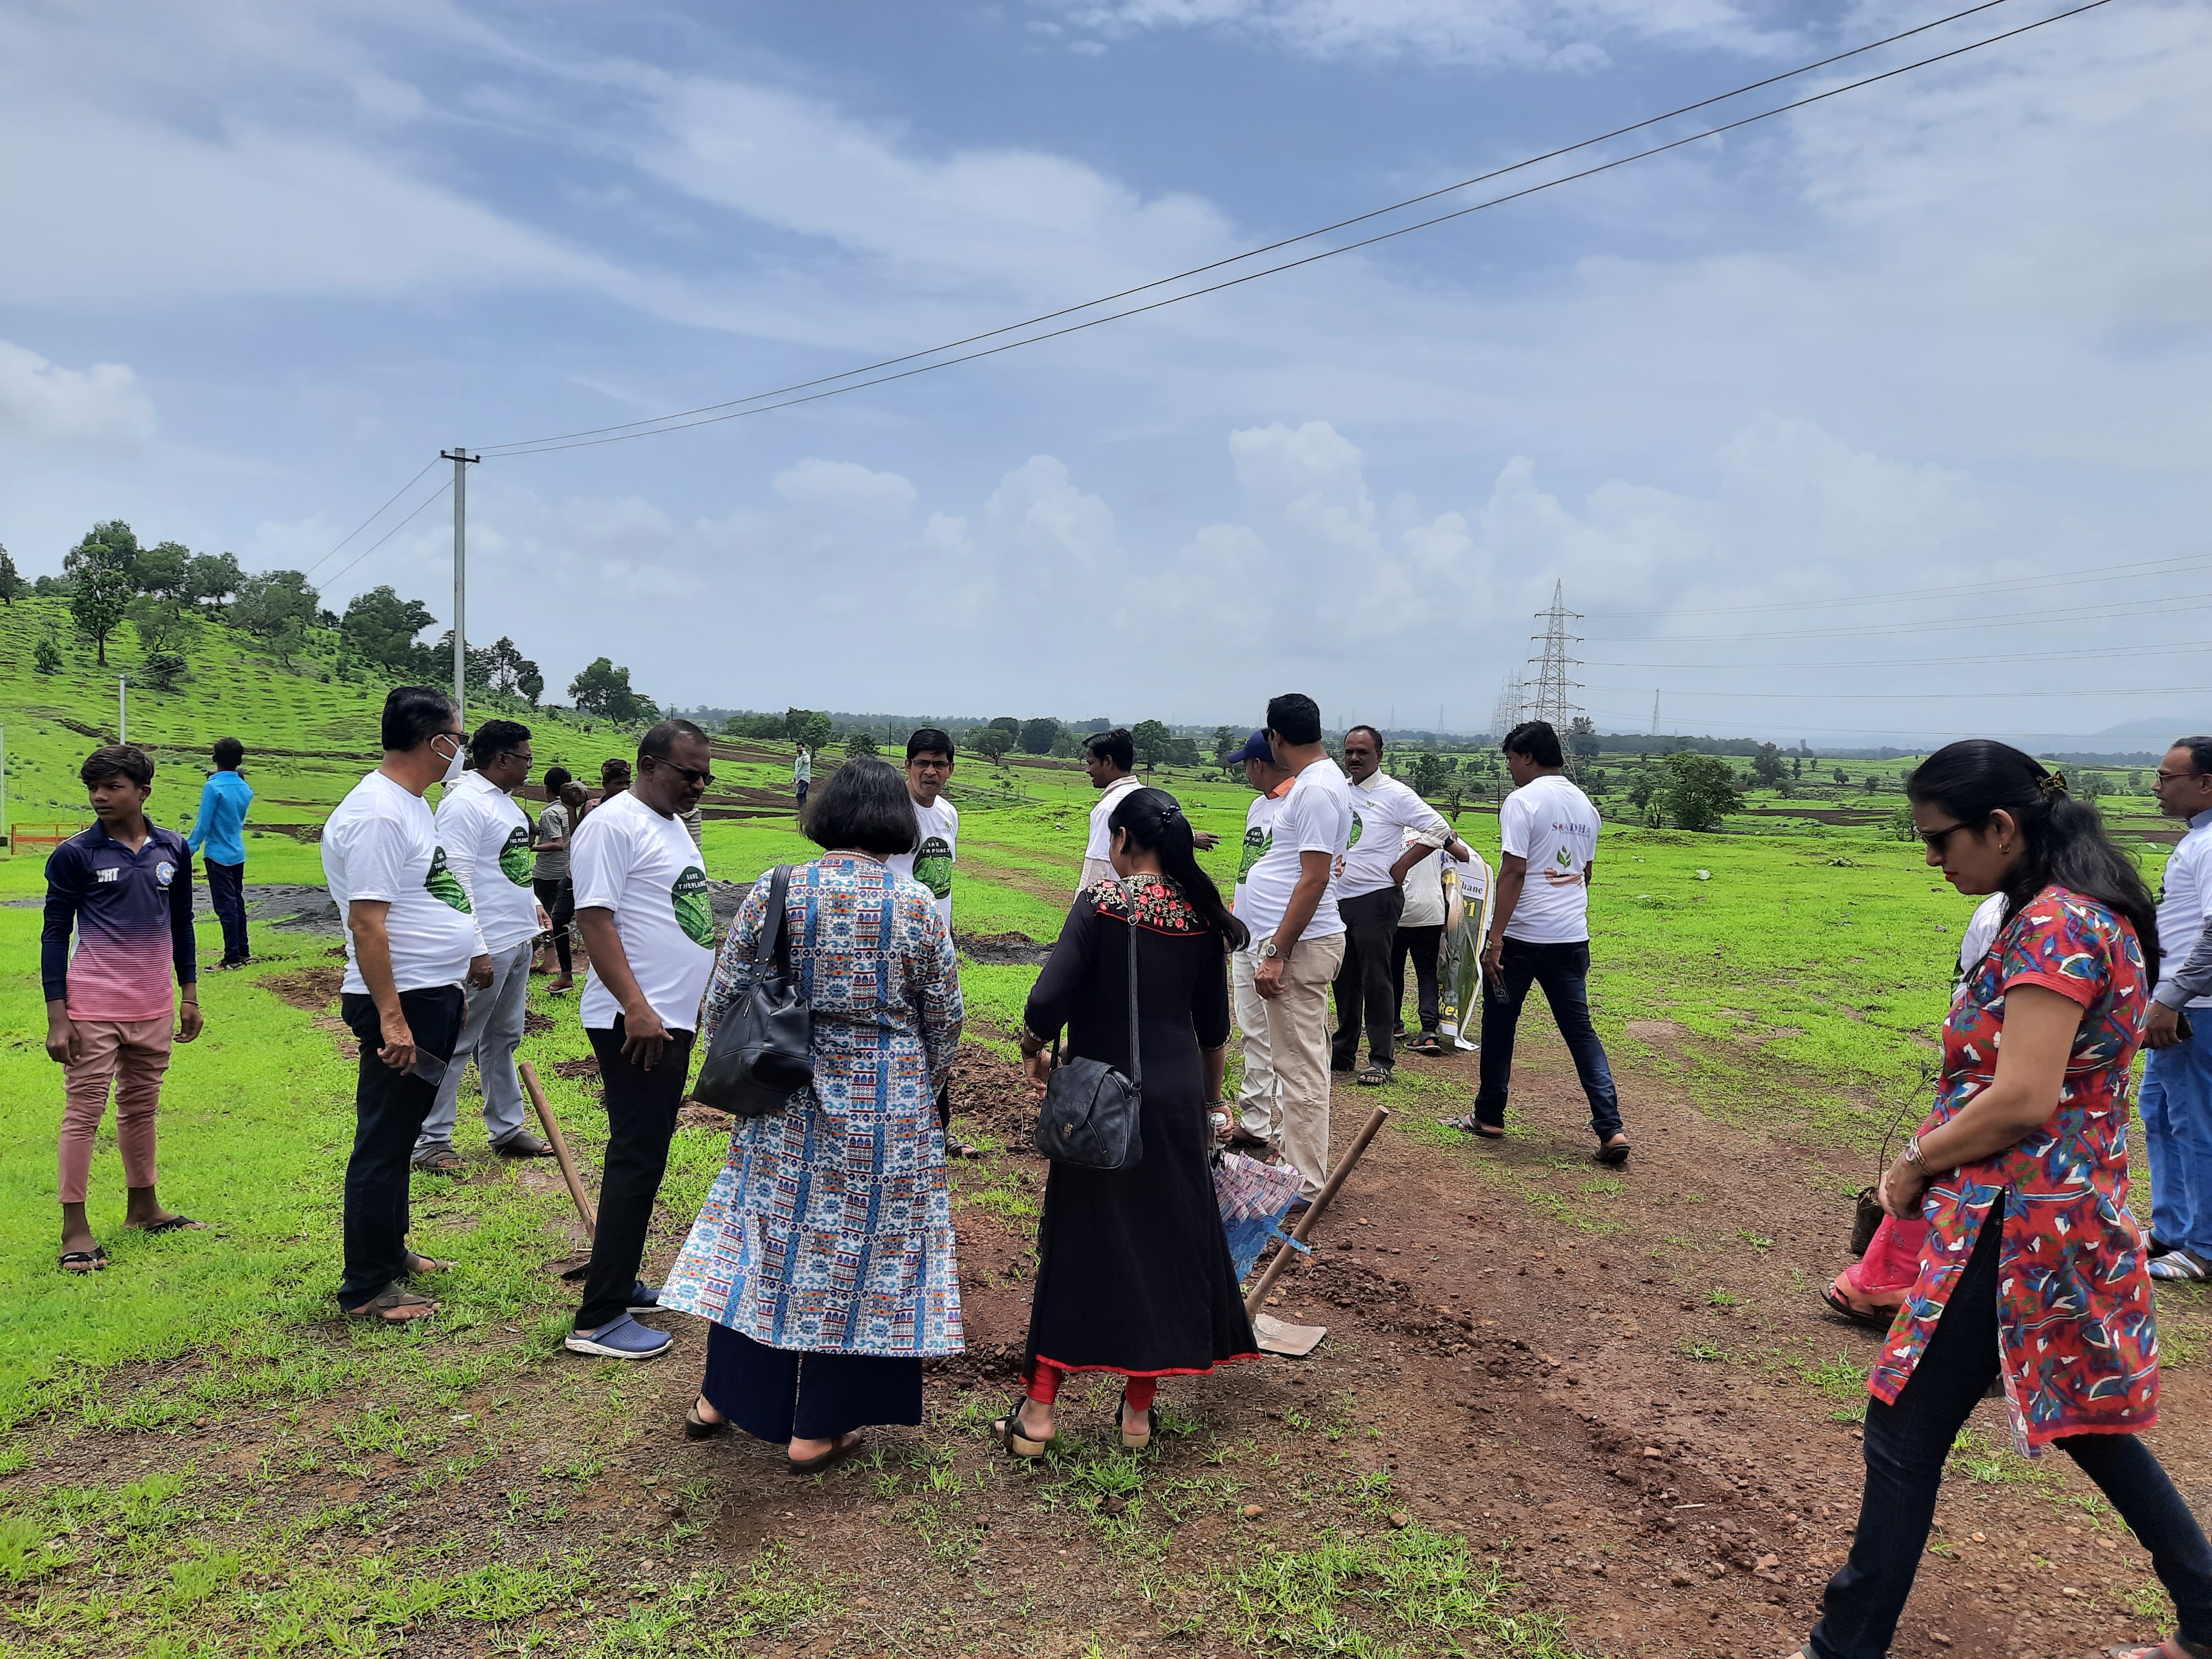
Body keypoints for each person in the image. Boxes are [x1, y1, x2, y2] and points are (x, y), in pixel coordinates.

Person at [1788, 740, 2212, 1659]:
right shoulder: (2083, 910)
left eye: (1942, 842)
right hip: (2065, 1215)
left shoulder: (2057, 925)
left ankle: (1842, 1647)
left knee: (1903, 1427)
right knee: (2085, 1417)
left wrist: (1915, 1163)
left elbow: (2023, 1096)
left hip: (2019, 1225)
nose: (1934, 860)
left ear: (2003, 828)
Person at [662, 756, 963, 1471]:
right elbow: (944, 1019)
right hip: (885, 1107)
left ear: (825, 816)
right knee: (868, 1258)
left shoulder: (779, 889)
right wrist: (922, 1082)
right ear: (895, 822)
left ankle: (722, 1397)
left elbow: (727, 993)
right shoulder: (915, 903)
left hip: (782, 1096)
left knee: (762, 1242)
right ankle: (818, 1427)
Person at [997, 786, 1257, 1456]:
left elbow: (1046, 997)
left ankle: (1040, 1413)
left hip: (1099, 1105)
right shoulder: (1204, 915)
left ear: (1120, 842)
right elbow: (1213, 1032)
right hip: (1173, 1103)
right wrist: (1210, 1106)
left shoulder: (1101, 905)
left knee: (1079, 1247)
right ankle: (1137, 1418)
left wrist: (1032, 1050)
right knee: (1162, 1248)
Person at [322, 687, 490, 1322]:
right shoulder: (378, 814)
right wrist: (394, 1017)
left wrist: (450, 987)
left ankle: (390, 1253)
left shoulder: (410, 805)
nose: (461, 752)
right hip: (402, 1001)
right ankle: (366, 1286)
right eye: (459, 739)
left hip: (428, 993)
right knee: (385, 1141)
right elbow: (368, 924)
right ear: (435, 742)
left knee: (398, 1136)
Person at [565, 719, 716, 1360]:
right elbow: (593, 919)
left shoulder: (673, 824)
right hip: (637, 1023)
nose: (699, 786)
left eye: (706, 776)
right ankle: (598, 1318)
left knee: (646, 1155)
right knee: (636, 1156)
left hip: (668, 1018)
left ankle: (621, 1283)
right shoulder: (610, 824)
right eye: (689, 774)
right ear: (651, 765)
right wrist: (637, 1006)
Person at [43, 744, 206, 1272]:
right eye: (94, 787)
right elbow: (53, 936)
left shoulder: (173, 849)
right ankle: (75, 1228)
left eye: (112, 787)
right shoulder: (75, 854)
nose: (99, 797)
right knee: (84, 1114)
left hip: (155, 1004)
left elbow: (181, 923)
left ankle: (145, 1209)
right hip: (93, 1006)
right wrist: (57, 1016)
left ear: (143, 793)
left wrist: (189, 994)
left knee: (141, 1107)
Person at [1823, 889, 2005, 1327]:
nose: (1933, 858)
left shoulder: (2013, 912)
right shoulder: (2070, 918)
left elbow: (1967, 994)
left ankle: (1882, 1282)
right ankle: (1894, 1287)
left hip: (1979, 1077)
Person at [1453, 721, 1630, 1166]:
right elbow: (1585, 873)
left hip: (1521, 939)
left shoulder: (1522, 802)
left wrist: (1494, 940)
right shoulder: (1586, 805)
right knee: (1581, 1032)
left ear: (1528, 757)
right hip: (1571, 939)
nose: (1510, 768)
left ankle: (1489, 1116)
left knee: (1500, 1026)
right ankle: (1611, 1130)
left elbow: (1513, 871)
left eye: (1511, 759)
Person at [410, 721, 556, 1175]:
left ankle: (507, 1128)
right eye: (527, 759)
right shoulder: (464, 805)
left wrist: (534, 904)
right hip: (485, 944)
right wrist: (476, 948)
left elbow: (509, 868)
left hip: (516, 939)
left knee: (503, 1039)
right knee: (457, 1041)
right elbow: (455, 879)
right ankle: (430, 1140)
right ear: (502, 760)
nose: (531, 766)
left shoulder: (505, 805)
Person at [1237, 694, 1353, 1202]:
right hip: (1301, 942)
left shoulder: (1315, 791)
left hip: (1302, 946)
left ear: (1277, 739)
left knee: (1299, 1065)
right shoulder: (1318, 784)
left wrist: (1278, 951)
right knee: (1299, 1058)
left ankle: (1305, 1184)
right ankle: (1294, 1159)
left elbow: (1314, 877)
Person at [1332, 726, 1458, 1085]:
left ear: (1380, 756)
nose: (1354, 758)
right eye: (1349, 752)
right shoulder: (1339, 792)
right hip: (1339, 899)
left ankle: (1381, 1060)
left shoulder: (1395, 794)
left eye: (1363, 752)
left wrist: (1402, 865)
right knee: (1343, 978)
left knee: (1376, 978)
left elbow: (1439, 829)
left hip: (1377, 899)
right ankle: (1342, 1053)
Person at [881, 728, 977, 1159]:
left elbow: (944, 884)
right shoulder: (890, 813)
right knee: (898, 1036)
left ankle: (937, 1131)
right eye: (922, 763)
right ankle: (898, 1128)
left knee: (939, 1035)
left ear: (951, 769)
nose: (931, 771)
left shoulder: (949, 815)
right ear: (908, 766)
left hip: (938, 947)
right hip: (896, 947)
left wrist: (949, 936)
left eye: (940, 764)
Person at [2139, 735, 2212, 1283]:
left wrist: (2170, 997)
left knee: (2193, 1124)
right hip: (2180, 1006)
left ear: (2206, 783)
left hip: (2195, 1009)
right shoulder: (2197, 839)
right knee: (2160, 1116)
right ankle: (2172, 1230)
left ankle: (2203, 1247)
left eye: (2168, 777)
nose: (2158, 787)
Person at [1221, 729, 1294, 1154]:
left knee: (1284, 1037)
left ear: (1257, 765)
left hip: (1276, 935)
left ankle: (1289, 1132)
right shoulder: (1257, 807)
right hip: (1247, 933)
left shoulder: (1297, 806)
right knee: (1252, 1031)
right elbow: (1248, 869)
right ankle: (1256, 1121)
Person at [1395, 831, 1482, 1058]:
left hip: (1399, 912)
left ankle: (1393, 1024)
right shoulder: (1435, 832)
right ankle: (1429, 1031)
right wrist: (1450, 838)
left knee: (1393, 971)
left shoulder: (1390, 830)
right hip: (1432, 913)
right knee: (1427, 973)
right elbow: (1464, 857)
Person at [188, 736, 253, 969]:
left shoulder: (213, 787)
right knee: (237, 904)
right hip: (237, 851)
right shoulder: (245, 787)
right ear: (240, 760)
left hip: (217, 854)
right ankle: (243, 952)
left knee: (225, 907)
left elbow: (203, 824)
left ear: (215, 759)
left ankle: (232, 958)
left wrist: (189, 849)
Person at [1078, 729, 1144, 892]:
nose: (1088, 770)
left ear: (1108, 762)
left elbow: (1098, 864)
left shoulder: (1108, 808)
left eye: (1090, 763)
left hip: (1121, 902)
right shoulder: (1151, 798)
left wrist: (1081, 910)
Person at [531, 765, 575, 988]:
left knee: (539, 917)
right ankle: (543, 960)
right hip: (567, 872)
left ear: (546, 788)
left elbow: (558, 844)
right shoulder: (572, 809)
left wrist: (531, 848)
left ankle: (546, 961)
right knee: (553, 918)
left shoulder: (550, 813)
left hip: (547, 874)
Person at [791, 744, 811, 808]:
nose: (798, 749)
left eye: (800, 748)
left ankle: (802, 812)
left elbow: (807, 761)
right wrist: (793, 779)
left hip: (804, 779)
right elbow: (797, 770)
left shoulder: (806, 756)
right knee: (803, 796)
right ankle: (806, 811)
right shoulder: (798, 758)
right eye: (797, 748)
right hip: (799, 780)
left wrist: (804, 752)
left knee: (799, 794)